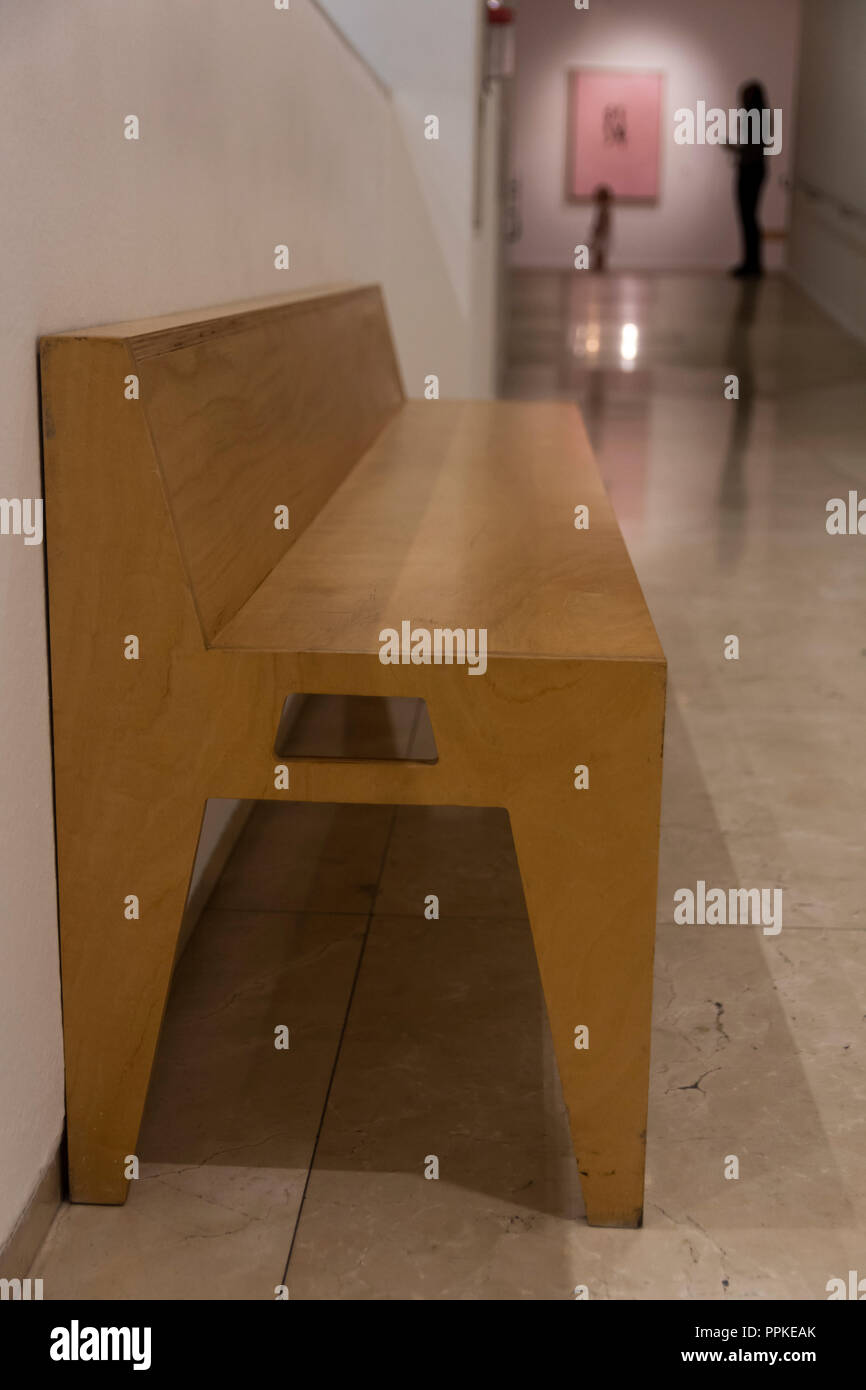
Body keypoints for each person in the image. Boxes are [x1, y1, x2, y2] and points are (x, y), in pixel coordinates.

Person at [729, 81, 769, 278]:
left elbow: (753, 150)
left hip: (751, 171)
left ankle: (752, 264)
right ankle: (751, 263)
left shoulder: (755, 118)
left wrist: (737, 151)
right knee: (748, 218)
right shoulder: (758, 118)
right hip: (753, 169)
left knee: (748, 218)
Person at [589, 185, 613, 272]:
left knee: (599, 251)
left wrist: (596, 233)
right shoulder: (605, 208)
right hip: (603, 234)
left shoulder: (604, 209)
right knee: (599, 251)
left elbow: (601, 223)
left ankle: (599, 269)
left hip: (601, 234)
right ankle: (599, 268)